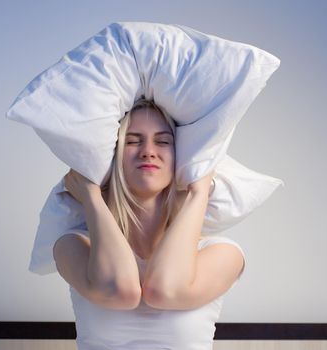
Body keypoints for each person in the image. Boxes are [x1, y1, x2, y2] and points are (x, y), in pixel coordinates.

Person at [53, 98, 245, 349]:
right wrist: (92, 196)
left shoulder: (223, 253)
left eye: (163, 141)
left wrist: (199, 193)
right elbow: (121, 291)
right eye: (132, 141)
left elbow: (165, 290)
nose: (148, 151)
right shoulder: (73, 246)